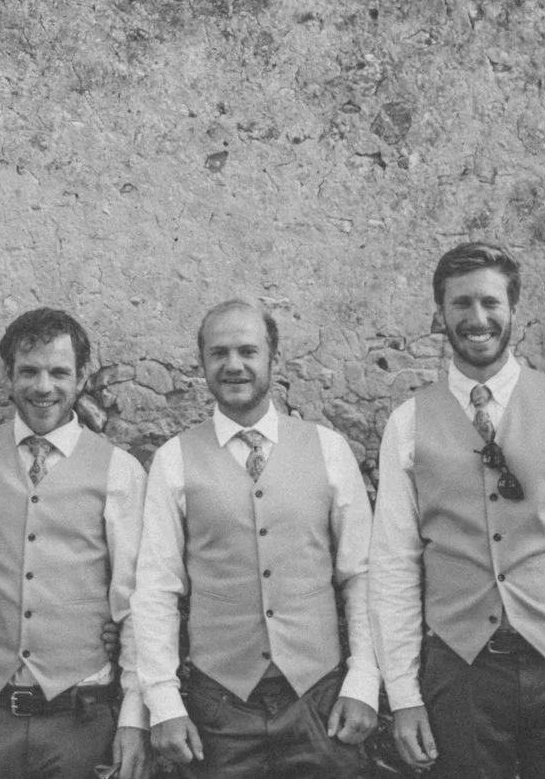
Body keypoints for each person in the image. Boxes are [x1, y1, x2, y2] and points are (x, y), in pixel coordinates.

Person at [371, 242, 545, 779]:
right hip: (459, 667)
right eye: (461, 303)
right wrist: (403, 693)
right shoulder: (407, 424)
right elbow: (393, 564)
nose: (477, 318)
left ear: (513, 309)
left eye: (491, 303)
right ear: (440, 313)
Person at [135, 298, 379, 779]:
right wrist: (163, 700)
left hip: (319, 701)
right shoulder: (173, 459)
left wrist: (364, 680)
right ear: (201, 362)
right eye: (219, 353)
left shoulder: (329, 449)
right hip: (219, 709)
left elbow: (362, 573)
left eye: (248, 351)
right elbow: (156, 587)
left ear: (274, 358)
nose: (234, 365)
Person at [0, 307, 149, 779]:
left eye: (58, 372)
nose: (43, 387)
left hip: (80, 719)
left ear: (81, 378)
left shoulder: (119, 471)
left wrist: (134, 718)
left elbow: (137, 601)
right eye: (29, 371)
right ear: (9, 375)